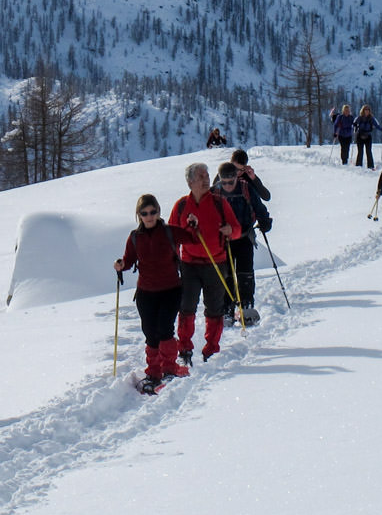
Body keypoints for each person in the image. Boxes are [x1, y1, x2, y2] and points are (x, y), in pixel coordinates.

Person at [114, 195, 200, 393]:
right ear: (139, 215)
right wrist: (120, 265)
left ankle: (169, 368)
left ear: (159, 212)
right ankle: (154, 371)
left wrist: (193, 225)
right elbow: (128, 260)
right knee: (150, 333)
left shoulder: (169, 232)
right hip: (145, 293)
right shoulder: (135, 237)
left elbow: (192, 238)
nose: (149, 216)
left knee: (164, 329)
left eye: (153, 212)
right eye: (144, 213)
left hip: (170, 290)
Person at [169, 162, 242, 364]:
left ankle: (212, 349)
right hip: (189, 264)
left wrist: (230, 231)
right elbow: (172, 235)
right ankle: (184, 349)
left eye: (207, 175)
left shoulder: (220, 203)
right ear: (190, 182)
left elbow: (236, 229)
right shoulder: (181, 205)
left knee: (214, 308)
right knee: (186, 308)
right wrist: (172, 260)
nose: (207, 179)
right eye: (202, 176)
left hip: (216, 262)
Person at [211, 162, 272, 325]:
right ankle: (226, 309)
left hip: (244, 236)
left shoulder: (246, 188)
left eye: (231, 182)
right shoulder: (214, 192)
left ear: (236, 178)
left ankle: (247, 306)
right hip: (223, 240)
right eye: (224, 182)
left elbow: (259, 207)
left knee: (245, 273)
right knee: (226, 275)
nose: (228, 186)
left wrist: (265, 220)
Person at [353, 104, 382, 169]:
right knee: (360, 151)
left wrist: (381, 129)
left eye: (368, 110)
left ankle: (370, 166)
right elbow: (354, 124)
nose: (367, 111)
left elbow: (377, 125)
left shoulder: (372, 119)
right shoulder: (359, 118)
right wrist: (355, 127)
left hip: (368, 136)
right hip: (360, 136)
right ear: (363, 110)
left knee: (368, 151)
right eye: (366, 110)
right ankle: (358, 166)